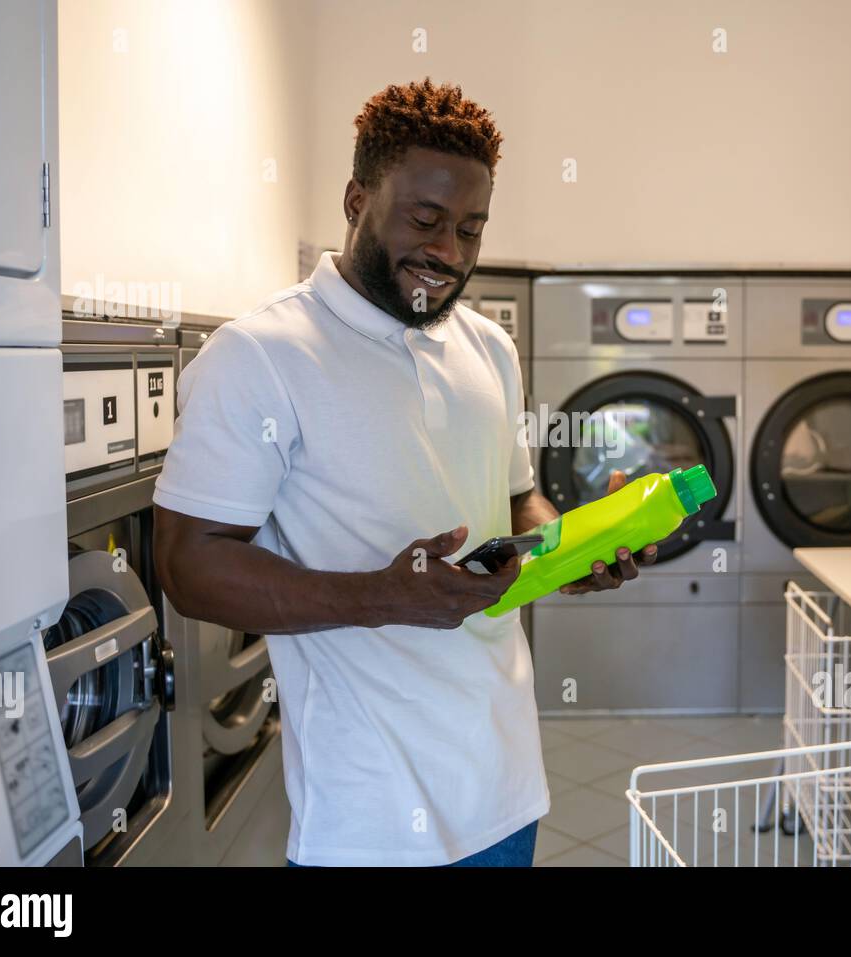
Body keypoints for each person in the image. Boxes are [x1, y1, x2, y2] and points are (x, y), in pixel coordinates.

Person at [152, 78, 657, 867]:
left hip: (505, 783)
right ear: (357, 199)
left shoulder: (491, 349)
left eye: (470, 228)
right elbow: (188, 563)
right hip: (369, 816)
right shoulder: (261, 356)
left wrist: (573, 549)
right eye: (424, 220)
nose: (449, 253)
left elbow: (515, 498)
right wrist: (381, 596)